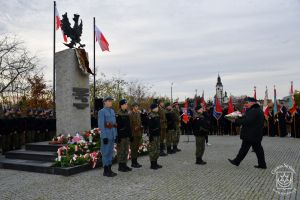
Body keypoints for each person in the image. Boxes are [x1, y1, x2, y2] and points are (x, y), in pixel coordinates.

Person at [228, 97, 267, 169]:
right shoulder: (257, 110)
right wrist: (239, 116)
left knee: (244, 148)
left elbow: (247, 121)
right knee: (258, 150)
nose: (246, 104)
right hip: (255, 134)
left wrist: (235, 121)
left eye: (247, 102)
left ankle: (236, 161)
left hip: (250, 134)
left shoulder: (254, 110)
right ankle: (262, 164)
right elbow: (247, 118)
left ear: (252, 102)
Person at [98, 96, 118, 177]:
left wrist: (116, 135)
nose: (110, 102)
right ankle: (106, 171)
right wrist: (104, 136)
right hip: (106, 135)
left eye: (111, 101)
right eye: (109, 101)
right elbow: (101, 125)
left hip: (112, 135)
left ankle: (110, 169)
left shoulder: (112, 111)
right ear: (104, 102)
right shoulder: (101, 111)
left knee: (110, 152)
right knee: (106, 153)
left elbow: (114, 124)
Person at [116, 99, 132, 172]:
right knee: (121, 151)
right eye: (125, 104)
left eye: (126, 104)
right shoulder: (118, 114)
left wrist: (130, 135)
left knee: (126, 151)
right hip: (121, 136)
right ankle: (120, 166)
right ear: (121, 105)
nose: (126, 105)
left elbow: (129, 125)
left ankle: (125, 165)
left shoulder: (127, 113)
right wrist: (118, 137)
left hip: (126, 135)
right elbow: (117, 127)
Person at [148, 103, 163, 170]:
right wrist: (150, 136)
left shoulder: (157, 114)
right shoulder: (150, 115)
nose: (157, 108)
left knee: (157, 149)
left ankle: (156, 162)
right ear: (153, 108)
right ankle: (152, 164)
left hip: (157, 135)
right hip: (153, 135)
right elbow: (150, 127)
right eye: (156, 107)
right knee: (153, 150)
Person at [129, 102, 143, 168]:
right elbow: (129, 125)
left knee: (136, 148)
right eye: (136, 106)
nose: (137, 107)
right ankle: (133, 163)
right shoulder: (130, 114)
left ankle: (136, 161)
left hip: (138, 133)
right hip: (133, 134)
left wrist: (140, 127)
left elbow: (139, 122)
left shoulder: (138, 113)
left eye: (137, 106)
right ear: (133, 107)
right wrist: (131, 134)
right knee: (133, 148)